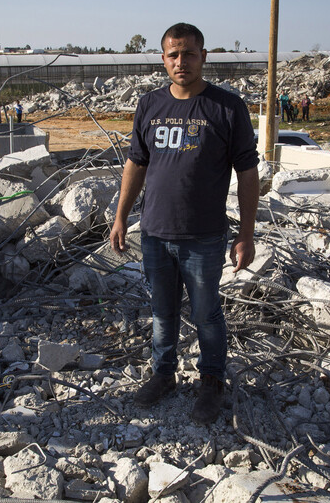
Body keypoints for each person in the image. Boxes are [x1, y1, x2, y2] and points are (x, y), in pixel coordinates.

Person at [109, 23, 259, 424]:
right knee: (162, 311)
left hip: (205, 236)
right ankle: (164, 374)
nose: (181, 62)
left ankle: (211, 381)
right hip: (155, 232)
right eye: (173, 55)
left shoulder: (227, 108)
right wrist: (121, 217)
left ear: (203, 57)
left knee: (207, 313)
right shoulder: (150, 105)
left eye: (189, 53)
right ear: (163, 59)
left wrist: (246, 234)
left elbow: (247, 173)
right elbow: (135, 165)